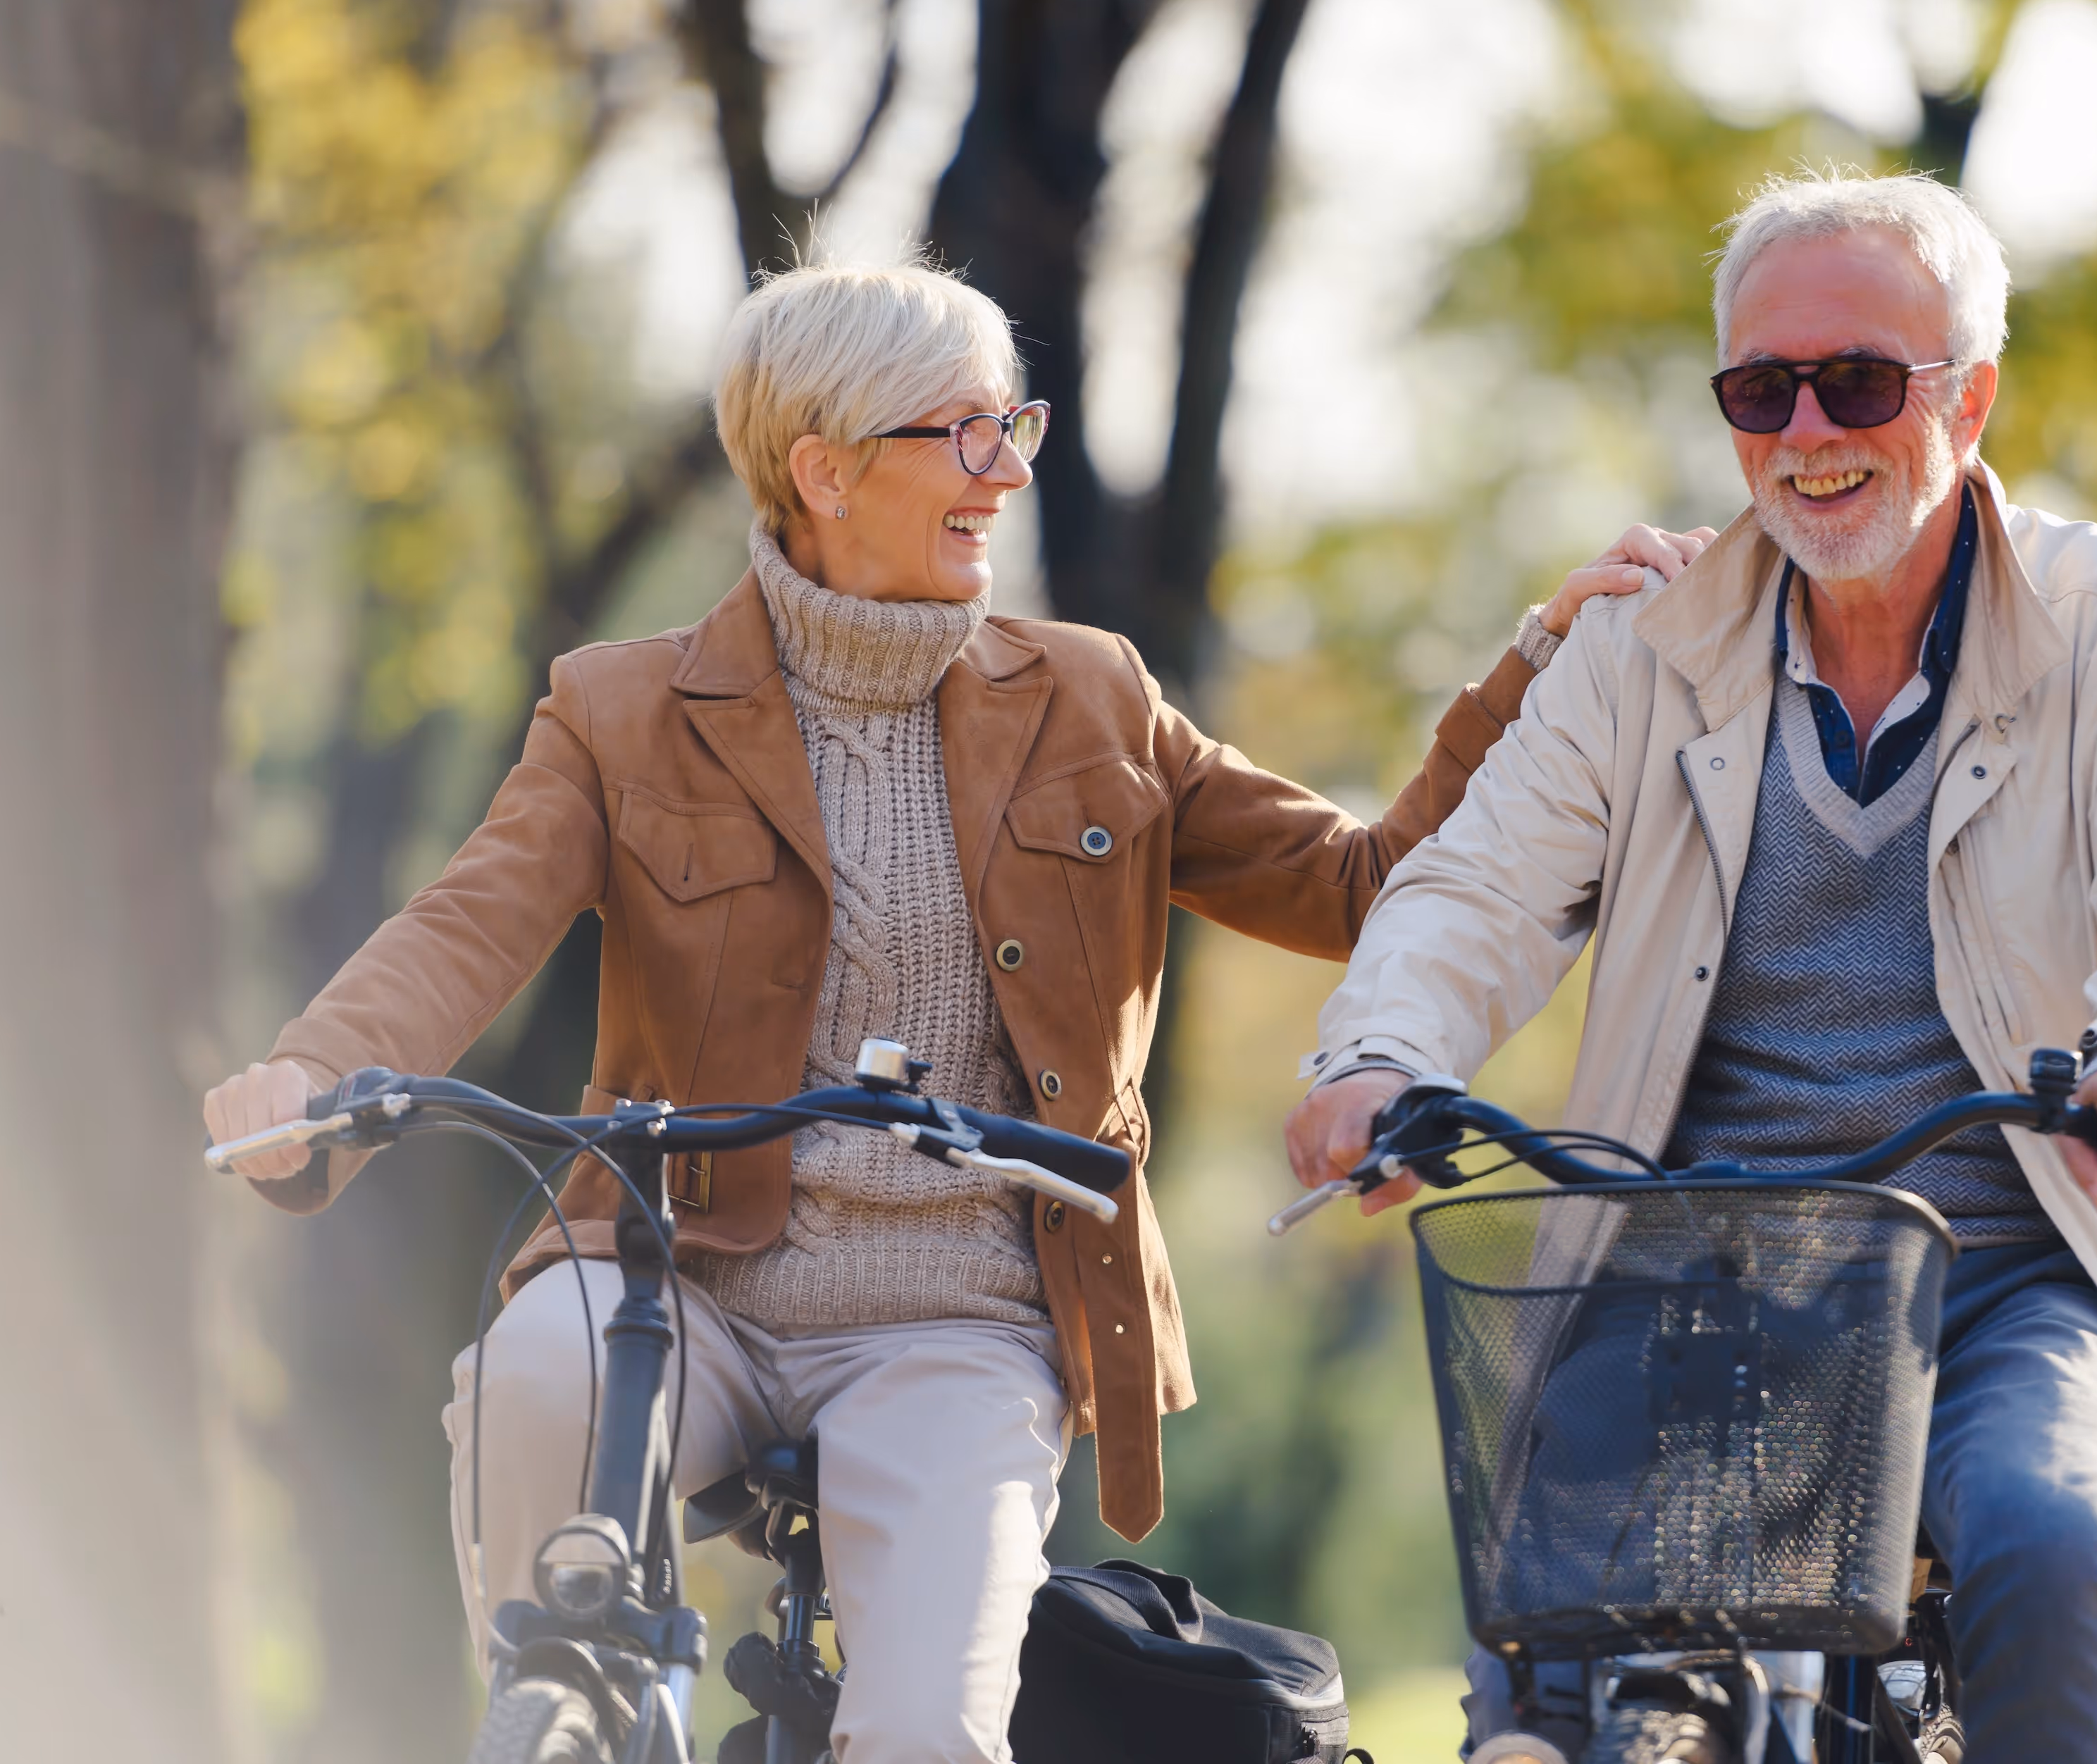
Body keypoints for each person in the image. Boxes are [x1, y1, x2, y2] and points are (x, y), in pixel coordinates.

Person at [202, 259, 1709, 1764]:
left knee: (928, 1734)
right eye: (963, 434)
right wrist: (315, 1072)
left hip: (963, 1321)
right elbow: (468, 925)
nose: (1004, 470)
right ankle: (567, 1719)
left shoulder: (1092, 699)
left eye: (1015, 426)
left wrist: (1530, 666)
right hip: (679, 1277)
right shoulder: (621, 709)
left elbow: (1353, 880)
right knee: (534, 1373)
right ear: (825, 470)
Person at [1285, 170, 2097, 1760]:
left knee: (2052, 1537)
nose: (1807, 430)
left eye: (1860, 382)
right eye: (1762, 389)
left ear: (1971, 396)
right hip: (1695, 1269)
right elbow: (1472, 885)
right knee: (1554, 1666)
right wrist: (1372, 1054)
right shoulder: (1642, 647)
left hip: (2015, 1263)